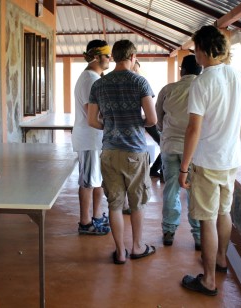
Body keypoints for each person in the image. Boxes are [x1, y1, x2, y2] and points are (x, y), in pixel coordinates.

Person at [178, 26, 241, 296]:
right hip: (231, 159)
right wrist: (233, 145)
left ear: (205, 50)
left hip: (208, 161)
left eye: (196, 49)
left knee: (206, 219)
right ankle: (220, 260)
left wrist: (184, 167)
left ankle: (207, 280)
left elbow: (193, 129)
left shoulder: (202, 82)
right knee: (224, 212)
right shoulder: (238, 75)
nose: (195, 55)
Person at [88, 39, 158, 264]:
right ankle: (137, 247)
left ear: (114, 57)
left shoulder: (98, 85)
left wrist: (110, 126)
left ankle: (120, 252)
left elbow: (92, 120)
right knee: (137, 203)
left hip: (109, 151)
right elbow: (152, 119)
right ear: (132, 57)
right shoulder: (140, 82)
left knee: (115, 205)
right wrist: (136, 123)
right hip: (135, 152)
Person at [156, 55, 202, 250]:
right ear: (200, 70)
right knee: (195, 191)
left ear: (182, 70)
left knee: (171, 189)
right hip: (195, 150)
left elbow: (158, 119)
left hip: (169, 147)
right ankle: (199, 235)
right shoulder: (202, 89)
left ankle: (168, 231)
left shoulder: (168, 89)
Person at [72, 39, 111, 235]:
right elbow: (93, 114)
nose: (110, 58)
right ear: (97, 56)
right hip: (89, 138)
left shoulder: (94, 77)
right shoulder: (90, 79)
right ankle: (85, 222)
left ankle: (96, 216)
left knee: (97, 180)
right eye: (107, 55)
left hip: (95, 138)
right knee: (87, 181)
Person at [133, 59, 164, 181]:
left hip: (147, 120)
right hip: (148, 121)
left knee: (163, 144)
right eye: (136, 67)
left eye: (137, 68)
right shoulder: (139, 81)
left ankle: (156, 168)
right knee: (164, 145)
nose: (136, 70)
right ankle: (158, 169)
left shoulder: (139, 80)